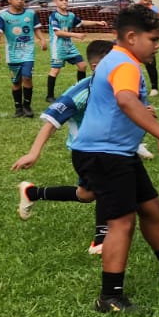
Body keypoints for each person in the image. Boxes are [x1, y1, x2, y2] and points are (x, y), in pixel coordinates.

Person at [69, 4, 159, 313]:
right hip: (104, 155)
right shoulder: (125, 64)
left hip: (115, 152)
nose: (157, 46)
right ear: (131, 37)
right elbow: (125, 99)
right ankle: (110, 297)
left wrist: (142, 114)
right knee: (121, 222)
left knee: (150, 206)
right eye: (153, 39)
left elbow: (122, 103)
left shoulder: (118, 59)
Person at [13, 39, 116, 253]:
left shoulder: (115, 86)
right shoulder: (83, 90)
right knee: (107, 187)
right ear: (97, 67)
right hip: (87, 152)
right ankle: (100, 240)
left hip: (103, 149)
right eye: (115, 61)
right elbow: (51, 121)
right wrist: (34, 152)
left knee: (86, 195)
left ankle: (32, 193)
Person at [0, 0, 39, 117]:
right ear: (9, 0)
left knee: (27, 77)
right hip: (12, 54)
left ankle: (27, 106)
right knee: (16, 82)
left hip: (28, 51)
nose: (20, 1)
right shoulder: (3, 16)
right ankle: (18, 108)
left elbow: (36, 28)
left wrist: (42, 40)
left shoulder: (31, 14)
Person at [44, 0, 91, 102]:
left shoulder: (71, 15)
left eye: (66, 0)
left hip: (69, 46)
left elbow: (81, 22)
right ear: (55, 2)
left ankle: (80, 90)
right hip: (58, 47)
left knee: (82, 66)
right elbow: (58, 32)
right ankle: (49, 96)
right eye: (61, 0)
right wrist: (76, 35)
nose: (64, 2)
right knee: (55, 70)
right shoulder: (54, 16)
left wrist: (97, 23)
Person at [136, 0, 159, 96]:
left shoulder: (155, 10)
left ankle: (154, 88)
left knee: (150, 63)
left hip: (148, 41)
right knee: (132, 63)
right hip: (135, 41)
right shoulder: (134, 9)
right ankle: (134, 87)